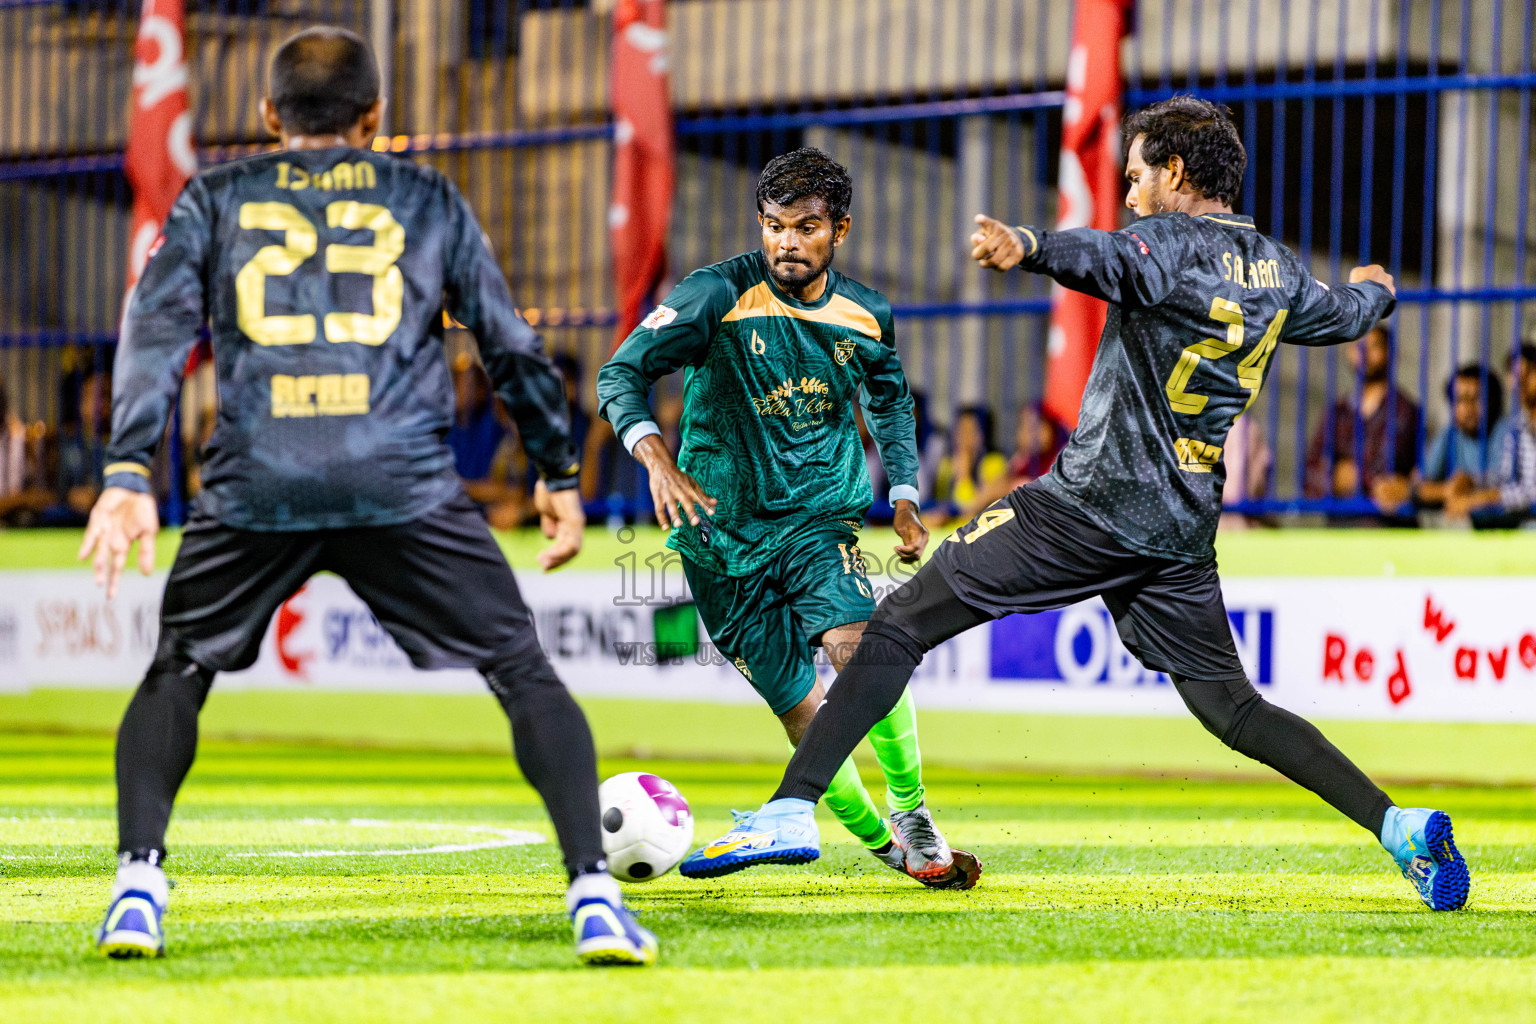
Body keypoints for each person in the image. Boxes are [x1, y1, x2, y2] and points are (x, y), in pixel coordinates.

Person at [683, 97, 1470, 914]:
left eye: (1135, 176)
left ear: (1174, 172)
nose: (1130, 194)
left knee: (898, 624)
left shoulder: (1165, 243)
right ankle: (1398, 825)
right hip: (1179, 534)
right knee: (1232, 710)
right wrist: (1375, 293)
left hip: (1088, 505)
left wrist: (1025, 245)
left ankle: (792, 809)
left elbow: (1105, 258)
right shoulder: (1273, 266)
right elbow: (1341, 314)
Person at [78, 27, 656, 966]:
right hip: (401, 479)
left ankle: (137, 887)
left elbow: (154, 333)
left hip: (258, 477)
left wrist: (127, 472)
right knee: (520, 668)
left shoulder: (215, 197)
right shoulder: (424, 195)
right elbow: (507, 341)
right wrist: (556, 470)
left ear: (268, 116)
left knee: (179, 667)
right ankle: (594, 896)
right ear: (375, 117)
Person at [596, 147, 979, 888]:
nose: (787, 244)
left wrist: (903, 490)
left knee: (859, 646)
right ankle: (885, 847)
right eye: (774, 226)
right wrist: (655, 458)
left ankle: (912, 810)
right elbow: (622, 372)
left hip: (817, 522)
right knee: (800, 710)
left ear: (839, 231)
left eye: (806, 228)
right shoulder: (715, 296)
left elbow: (891, 401)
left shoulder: (867, 314)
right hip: (717, 539)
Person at [1303, 325, 1420, 516]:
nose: (1365, 353)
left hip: (1388, 527)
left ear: (1391, 353)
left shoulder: (1406, 412)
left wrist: (1359, 479)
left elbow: (1411, 474)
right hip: (1341, 528)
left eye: (1374, 346)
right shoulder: (1337, 412)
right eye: (1359, 346)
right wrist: (1334, 478)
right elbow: (1310, 473)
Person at [1445, 343, 1536, 526]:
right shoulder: (1518, 426)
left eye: (1529, 372)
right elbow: (1505, 478)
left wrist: (1484, 498)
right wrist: (1472, 481)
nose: (1522, 380)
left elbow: (1531, 492)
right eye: (1515, 374)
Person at [1415, 363, 1504, 512]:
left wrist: (1470, 490)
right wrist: (1447, 490)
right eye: (1460, 399)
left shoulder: (1508, 432)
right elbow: (1420, 486)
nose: (1468, 408)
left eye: (1476, 398)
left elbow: (1510, 489)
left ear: (1494, 401)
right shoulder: (1450, 435)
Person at [937, 405, 1008, 514]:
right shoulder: (947, 463)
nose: (964, 437)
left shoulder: (994, 462)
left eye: (970, 430)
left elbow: (967, 508)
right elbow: (939, 503)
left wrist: (964, 475)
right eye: (960, 430)